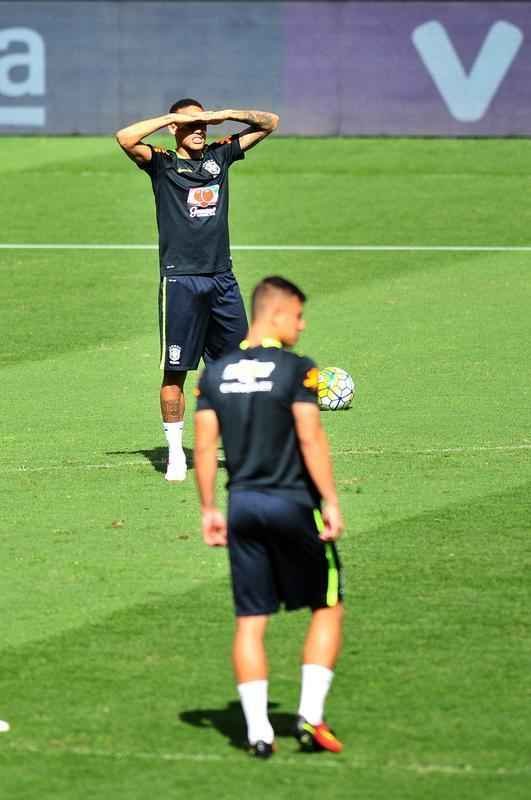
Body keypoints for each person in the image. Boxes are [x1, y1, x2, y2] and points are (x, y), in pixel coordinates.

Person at [194, 276, 345, 758]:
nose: (301, 325)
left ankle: (259, 733)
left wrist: (208, 508)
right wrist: (330, 500)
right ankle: (310, 717)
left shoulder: (215, 373)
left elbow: (204, 446)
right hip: (293, 504)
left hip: (243, 508)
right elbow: (310, 437)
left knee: (250, 620)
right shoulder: (297, 370)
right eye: (298, 315)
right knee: (327, 605)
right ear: (275, 314)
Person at [115, 100, 279, 481]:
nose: (200, 129)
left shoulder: (219, 157)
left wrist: (227, 115)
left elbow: (270, 123)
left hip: (222, 280)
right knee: (175, 373)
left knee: (239, 370)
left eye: (203, 123)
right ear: (175, 128)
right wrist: (173, 118)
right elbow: (124, 138)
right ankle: (175, 453)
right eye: (192, 124)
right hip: (181, 282)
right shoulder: (162, 164)